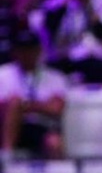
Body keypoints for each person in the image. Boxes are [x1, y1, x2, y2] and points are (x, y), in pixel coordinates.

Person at [0, 29, 67, 160]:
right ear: (15, 52)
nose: (27, 54)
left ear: (39, 51)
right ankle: (6, 161)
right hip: (7, 127)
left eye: (31, 49)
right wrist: (40, 106)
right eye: (23, 50)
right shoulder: (3, 74)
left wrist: (24, 106)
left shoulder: (55, 77)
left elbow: (57, 108)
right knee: (14, 105)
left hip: (40, 126)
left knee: (55, 143)